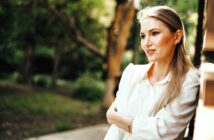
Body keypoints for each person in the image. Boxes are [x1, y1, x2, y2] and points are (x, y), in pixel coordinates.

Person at [104, 5, 200, 140]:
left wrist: (117, 119)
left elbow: (163, 131)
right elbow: (116, 131)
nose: (146, 43)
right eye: (143, 36)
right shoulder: (132, 73)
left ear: (177, 37)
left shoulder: (188, 80)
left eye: (154, 33)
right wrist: (119, 121)